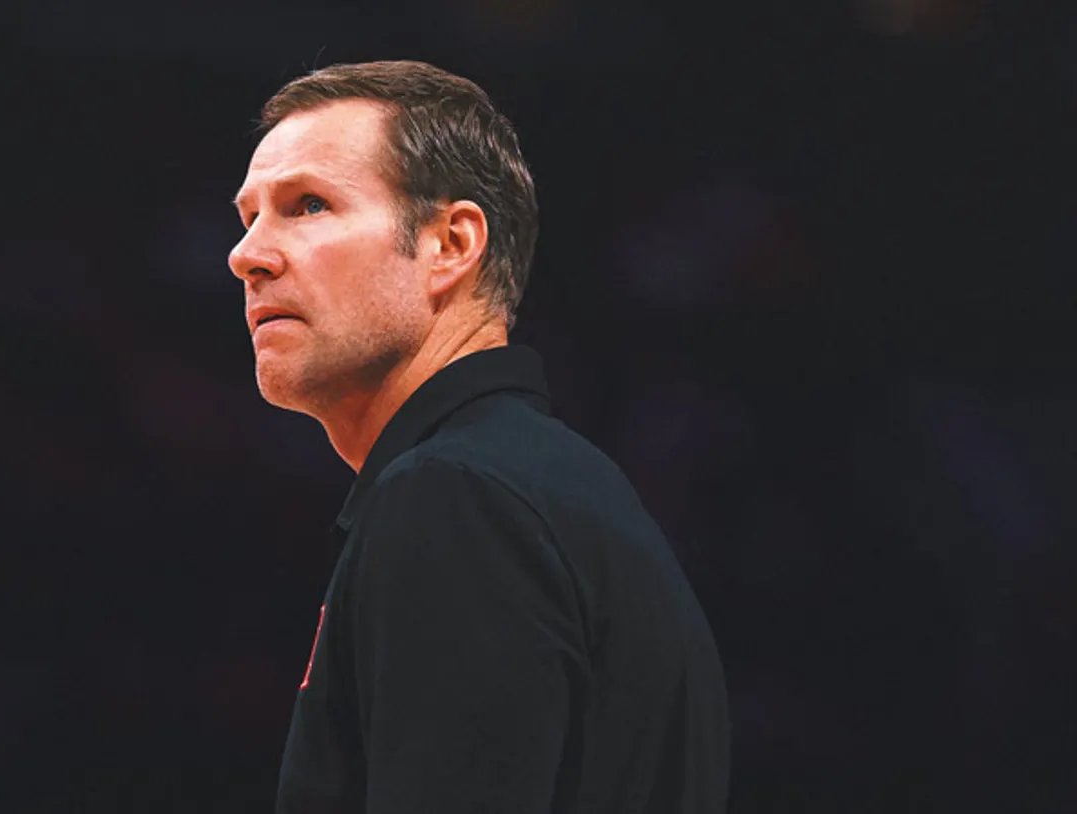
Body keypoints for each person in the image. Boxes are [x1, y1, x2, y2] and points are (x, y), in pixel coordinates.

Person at [228, 60, 730, 813]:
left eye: (308, 205)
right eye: (249, 219)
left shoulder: (455, 498)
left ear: (451, 244)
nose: (247, 255)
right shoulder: (534, 483)